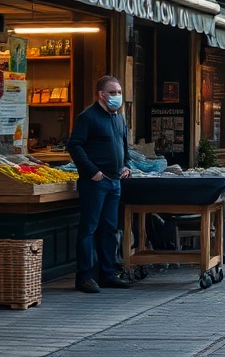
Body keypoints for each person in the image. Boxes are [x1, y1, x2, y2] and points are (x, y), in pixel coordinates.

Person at [67, 75, 132, 293]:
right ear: (101, 95)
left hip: (115, 182)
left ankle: (108, 273)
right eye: (112, 93)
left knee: (109, 229)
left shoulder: (119, 118)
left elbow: (124, 145)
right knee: (89, 228)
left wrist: (126, 164)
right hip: (95, 182)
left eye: (119, 92)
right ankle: (85, 276)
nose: (117, 97)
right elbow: (75, 145)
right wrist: (91, 170)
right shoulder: (88, 117)